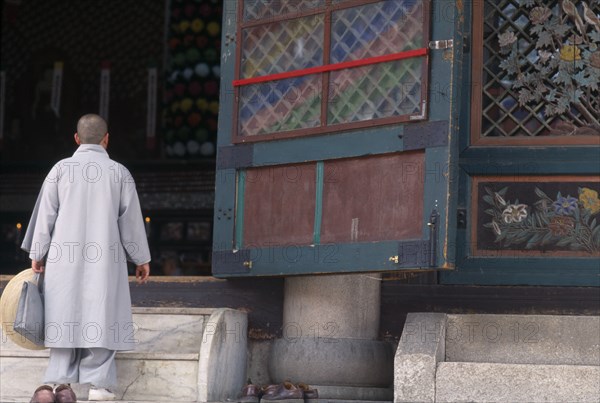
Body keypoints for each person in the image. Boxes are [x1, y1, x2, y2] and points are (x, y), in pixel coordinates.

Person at [21, 114, 151, 401]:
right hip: (105, 259)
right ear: (107, 139)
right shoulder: (119, 172)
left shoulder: (60, 170)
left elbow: (45, 215)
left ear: (76, 139)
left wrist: (37, 252)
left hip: (61, 257)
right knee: (102, 313)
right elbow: (130, 222)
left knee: (62, 312)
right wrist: (140, 258)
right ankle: (99, 386)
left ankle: (58, 384)